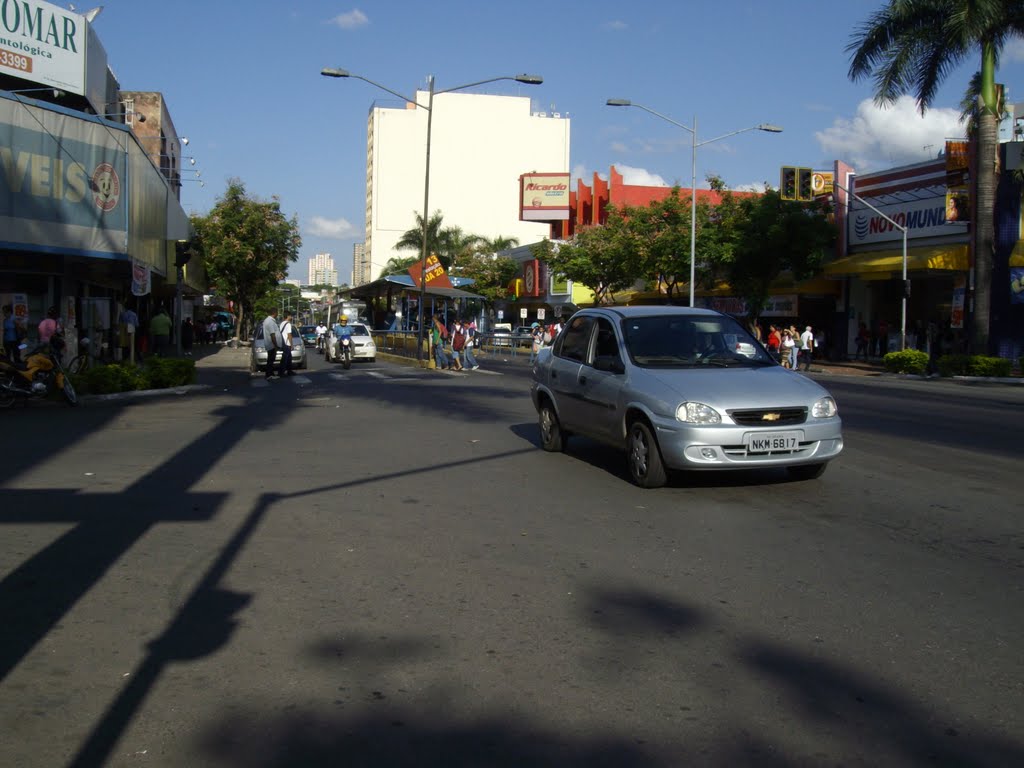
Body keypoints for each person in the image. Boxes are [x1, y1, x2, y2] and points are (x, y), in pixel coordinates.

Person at [262, 308, 282, 379]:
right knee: (271, 359)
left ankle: (271, 373)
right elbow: (272, 334)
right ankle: (269, 374)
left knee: (271, 359)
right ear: (274, 313)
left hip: (270, 344)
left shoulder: (269, 321)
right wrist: (275, 345)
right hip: (271, 344)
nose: (277, 314)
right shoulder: (270, 321)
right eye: (277, 313)